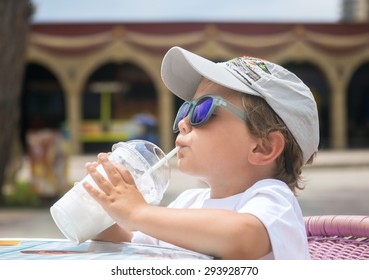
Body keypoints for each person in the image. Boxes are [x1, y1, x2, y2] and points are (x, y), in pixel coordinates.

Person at [82, 46, 319, 260]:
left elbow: (242, 237)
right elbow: (133, 243)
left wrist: (138, 212)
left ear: (263, 147)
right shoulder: (188, 202)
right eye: (185, 108)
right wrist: (102, 210)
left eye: (203, 110)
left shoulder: (274, 200)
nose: (183, 122)